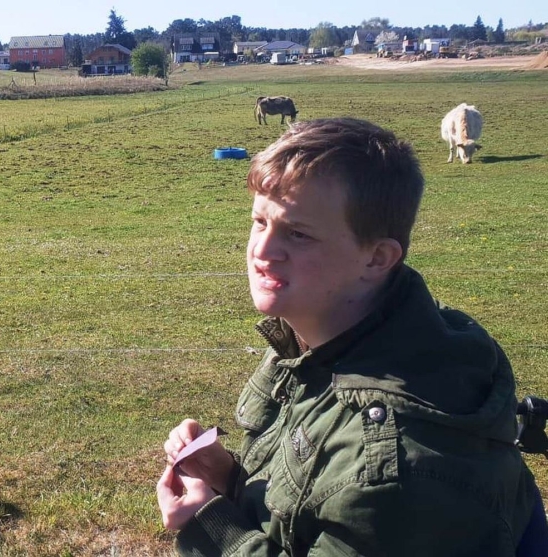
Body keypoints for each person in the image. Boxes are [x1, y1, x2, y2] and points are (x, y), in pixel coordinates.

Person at [156, 118, 539, 556]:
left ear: (377, 258)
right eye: (260, 221)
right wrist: (229, 477)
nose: (261, 251)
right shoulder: (325, 335)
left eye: (298, 234)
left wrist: (210, 528)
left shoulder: (396, 471)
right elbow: (308, 501)